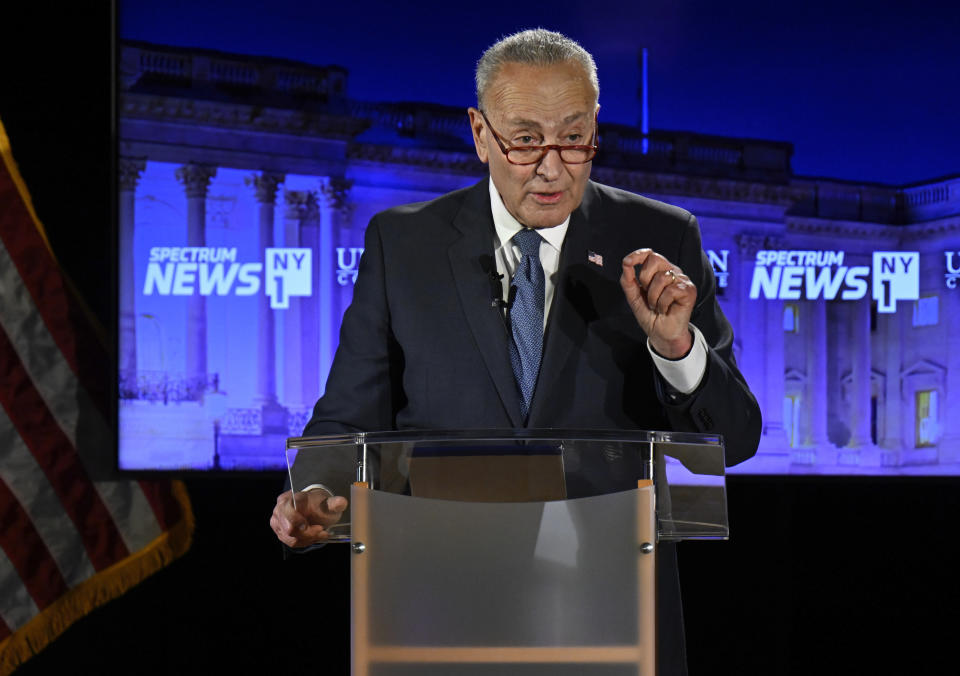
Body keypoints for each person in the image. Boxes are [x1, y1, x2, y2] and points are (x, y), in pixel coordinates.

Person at [270, 28, 761, 675]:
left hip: (611, 617)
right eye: (526, 140)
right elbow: (347, 416)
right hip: (441, 605)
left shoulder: (660, 237)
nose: (552, 166)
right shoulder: (403, 244)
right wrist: (313, 491)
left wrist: (676, 347)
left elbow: (737, 437)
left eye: (573, 137)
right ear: (480, 133)